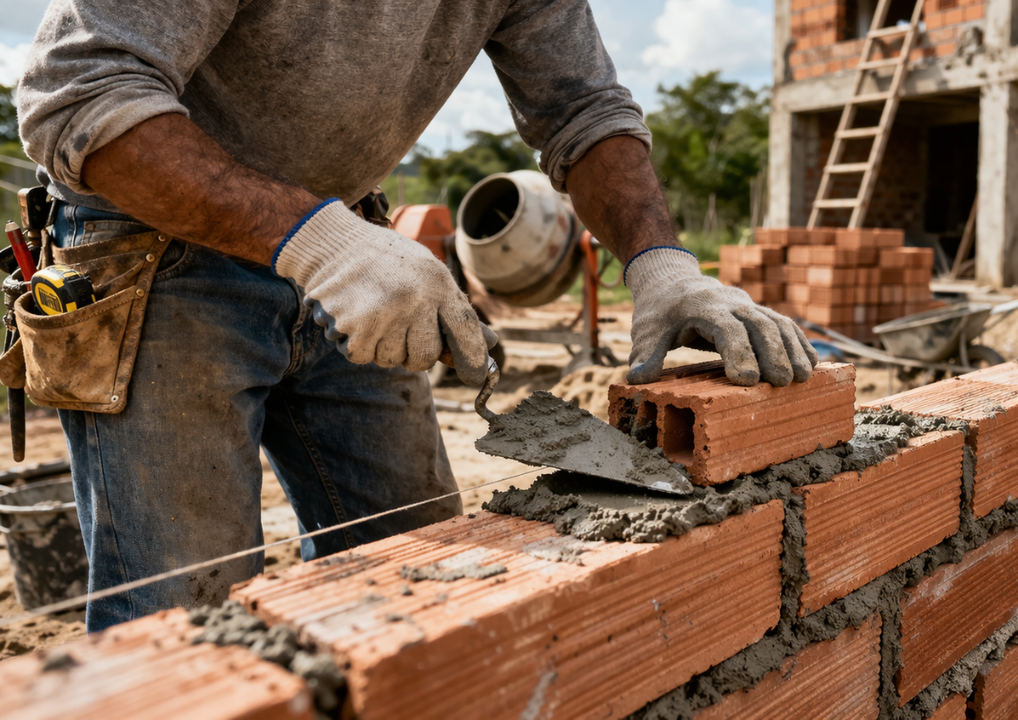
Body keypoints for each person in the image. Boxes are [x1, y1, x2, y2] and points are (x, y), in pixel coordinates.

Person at [16, 0, 816, 631]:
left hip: (358, 252)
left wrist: (661, 263)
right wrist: (316, 241)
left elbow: (584, 110)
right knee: (187, 610)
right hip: (155, 252)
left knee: (419, 569)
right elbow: (79, 93)